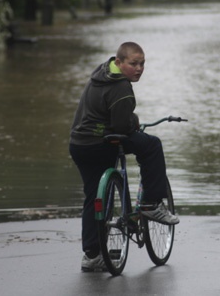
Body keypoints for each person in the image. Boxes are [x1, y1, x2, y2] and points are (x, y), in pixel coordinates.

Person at [69, 41, 179, 272]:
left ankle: (92, 255)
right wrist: (134, 121)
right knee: (152, 146)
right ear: (119, 62)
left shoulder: (101, 74)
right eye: (133, 63)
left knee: (92, 196)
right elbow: (122, 126)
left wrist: (128, 119)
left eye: (142, 64)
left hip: (79, 144)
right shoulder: (121, 88)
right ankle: (151, 203)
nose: (139, 69)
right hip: (102, 143)